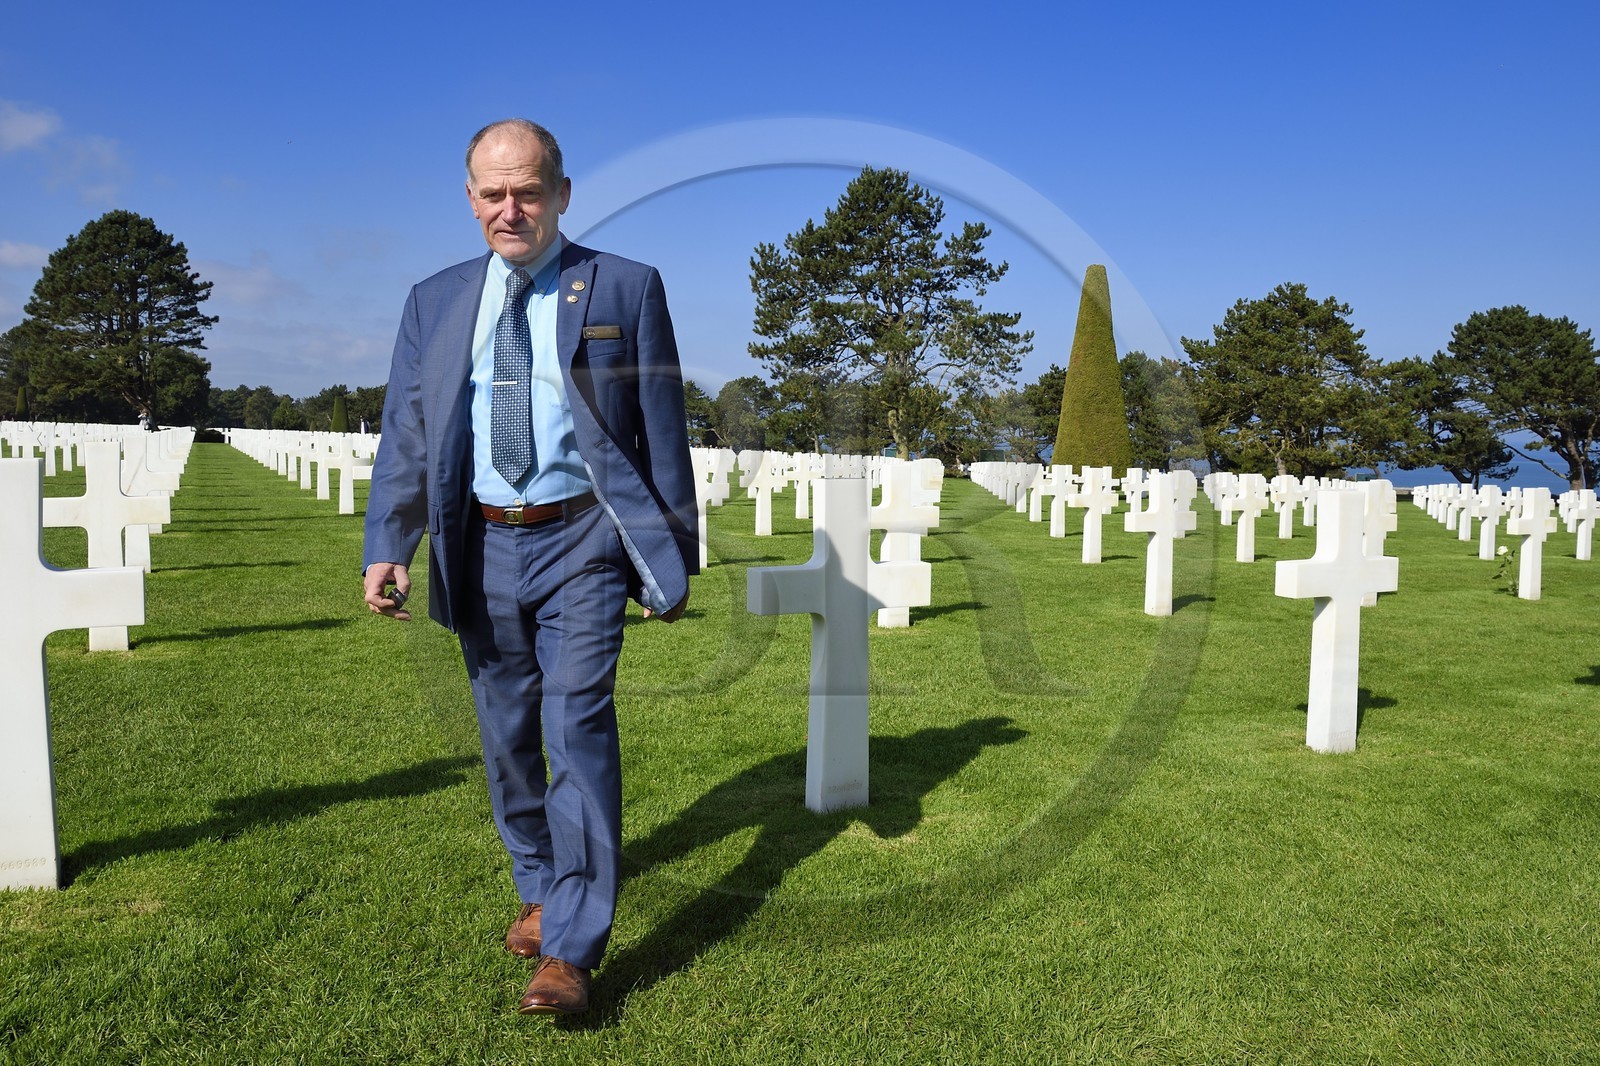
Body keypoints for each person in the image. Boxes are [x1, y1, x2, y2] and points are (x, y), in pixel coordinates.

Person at [362, 118, 697, 1015]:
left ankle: (573, 947)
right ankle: (542, 884)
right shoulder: (433, 301)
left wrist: (672, 556)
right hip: (478, 542)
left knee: (576, 725)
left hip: (581, 537)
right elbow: (408, 433)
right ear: (469, 197)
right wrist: (388, 544)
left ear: (562, 192)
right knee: (506, 731)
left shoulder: (625, 287)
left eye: (528, 191)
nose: (510, 209)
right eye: (491, 193)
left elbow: (663, 431)